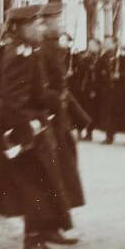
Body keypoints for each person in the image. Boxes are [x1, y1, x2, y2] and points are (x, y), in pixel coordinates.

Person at [0, 3, 75, 249]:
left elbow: (36, 91)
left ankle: (44, 231)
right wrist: (26, 131)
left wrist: (53, 99)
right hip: (17, 127)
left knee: (32, 180)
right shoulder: (18, 54)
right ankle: (33, 239)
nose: (41, 27)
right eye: (36, 24)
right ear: (22, 27)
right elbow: (13, 98)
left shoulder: (29, 51)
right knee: (34, 182)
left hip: (28, 123)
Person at [40, 22, 85, 222]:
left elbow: (63, 91)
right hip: (48, 120)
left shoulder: (56, 53)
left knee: (61, 171)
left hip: (59, 121)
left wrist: (80, 117)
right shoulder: (44, 53)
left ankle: (56, 221)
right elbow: (47, 90)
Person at [72, 38, 101, 140]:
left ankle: (89, 132)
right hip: (81, 88)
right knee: (80, 110)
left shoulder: (98, 58)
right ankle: (79, 131)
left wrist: (93, 89)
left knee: (90, 111)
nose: (90, 46)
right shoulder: (84, 56)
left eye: (93, 45)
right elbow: (79, 68)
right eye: (89, 44)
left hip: (91, 88)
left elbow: (95, 75)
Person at [93, 38, 120, 143]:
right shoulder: (103, 57)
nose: (106, 45)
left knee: (114, 113)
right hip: (106, 89)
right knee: (107, 113)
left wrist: (120, 75)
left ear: (114, 44)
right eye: (105, 43)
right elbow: (98, 71)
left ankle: (112, 134)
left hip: (117, 90)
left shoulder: (119, 56)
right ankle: (109, 135)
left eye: (108, 43)